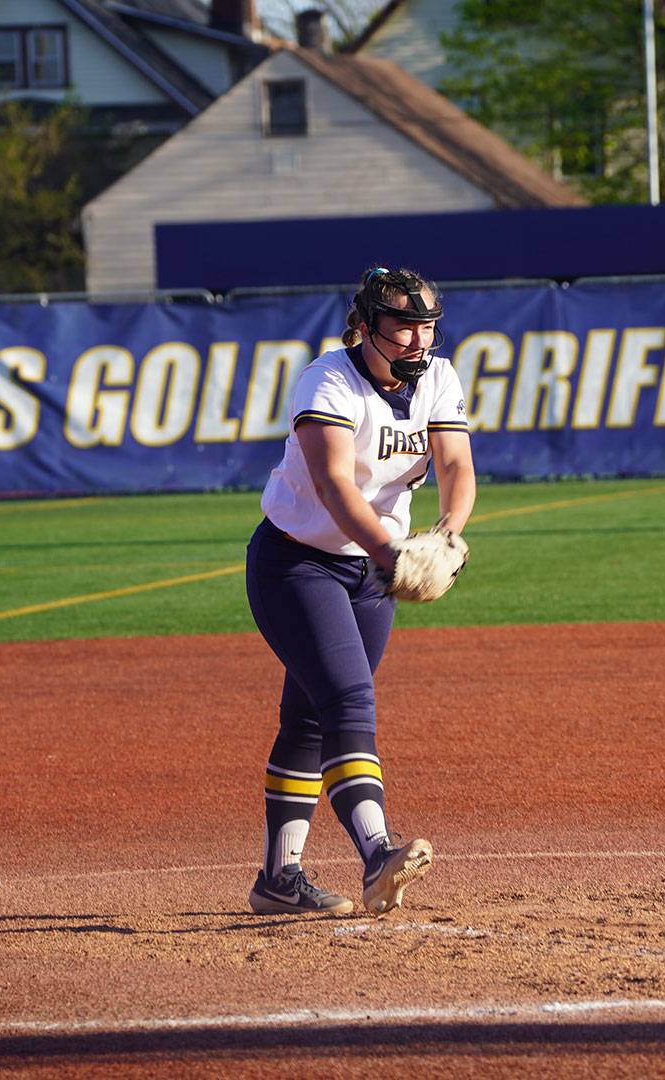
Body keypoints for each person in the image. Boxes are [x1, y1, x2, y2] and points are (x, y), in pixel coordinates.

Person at [245, 267, 476, 916]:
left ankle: (277, 881)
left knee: (311, 718)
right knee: (349, 696)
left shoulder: (439, 377)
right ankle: (378, 854)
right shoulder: (326, 379)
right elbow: (332, 485)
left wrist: (448, 536)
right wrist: (391, 554)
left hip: (374, 574)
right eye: (402, 325)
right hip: (297, 565)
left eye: (426, 326)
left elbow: (456, 464)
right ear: (367, 327)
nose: (417, 340)